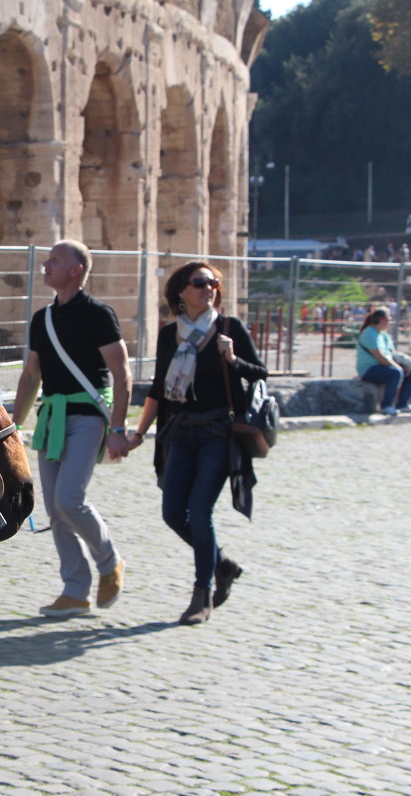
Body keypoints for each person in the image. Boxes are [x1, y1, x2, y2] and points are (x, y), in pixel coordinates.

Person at [126, 261, 267, 625]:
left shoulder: (229, 328)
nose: (209, 288)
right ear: (180, 292)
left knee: (200, 511)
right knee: (173, 513)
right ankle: (222, 565)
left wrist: (233, 358)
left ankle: (200, 596)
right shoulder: (167, 334)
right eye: (200, 282)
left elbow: (260, 372)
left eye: (214, 283)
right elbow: (158, 389)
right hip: (180, 434)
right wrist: (138, 433)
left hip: (218, 433)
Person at [13, 240, 130, 618]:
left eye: (55, 261)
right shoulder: (41, 319)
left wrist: (118, 427)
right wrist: (14, 424)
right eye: (46, 260)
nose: (45, 266)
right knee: (54, 508)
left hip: (88, 416)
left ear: (77, 270)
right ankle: (75, 590)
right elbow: (31, 375)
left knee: (69, 499)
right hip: (53, 417)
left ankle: (109, 561)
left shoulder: (99, 314)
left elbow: (121, 373)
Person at [356, 307, 411, 415]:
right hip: (369, 369)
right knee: (395, 373)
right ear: (383, 319)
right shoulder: (369, 333)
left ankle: (403, 404)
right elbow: (380, 357)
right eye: (389, 318)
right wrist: (398, 367)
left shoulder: (383, 334)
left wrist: (404, 365)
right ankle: (386, 406)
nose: (390, 322)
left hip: (382, 367)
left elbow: (392, 353)